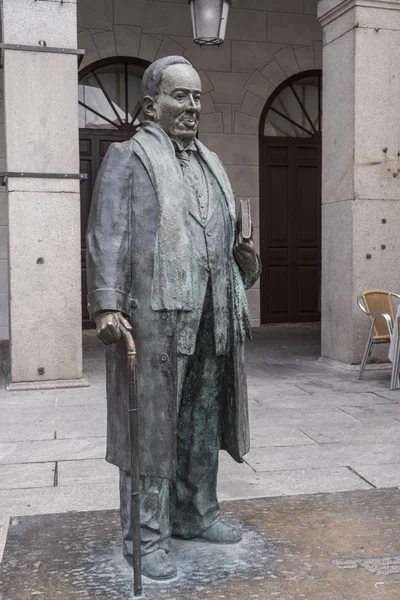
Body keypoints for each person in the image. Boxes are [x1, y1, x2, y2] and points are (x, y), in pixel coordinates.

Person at [86, 55, 260, 581]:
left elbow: (227, 236)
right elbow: (106, 233)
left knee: (201, 424)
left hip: (211, 315)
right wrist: (107, 302)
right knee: (152, 433)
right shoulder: (127, 157)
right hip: (155, 317)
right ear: (150, 104)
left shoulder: (212, 162)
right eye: (179, 96)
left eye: (197, 97)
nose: (191, 107)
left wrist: (244, 249)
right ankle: (145, 538)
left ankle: (196, 514)